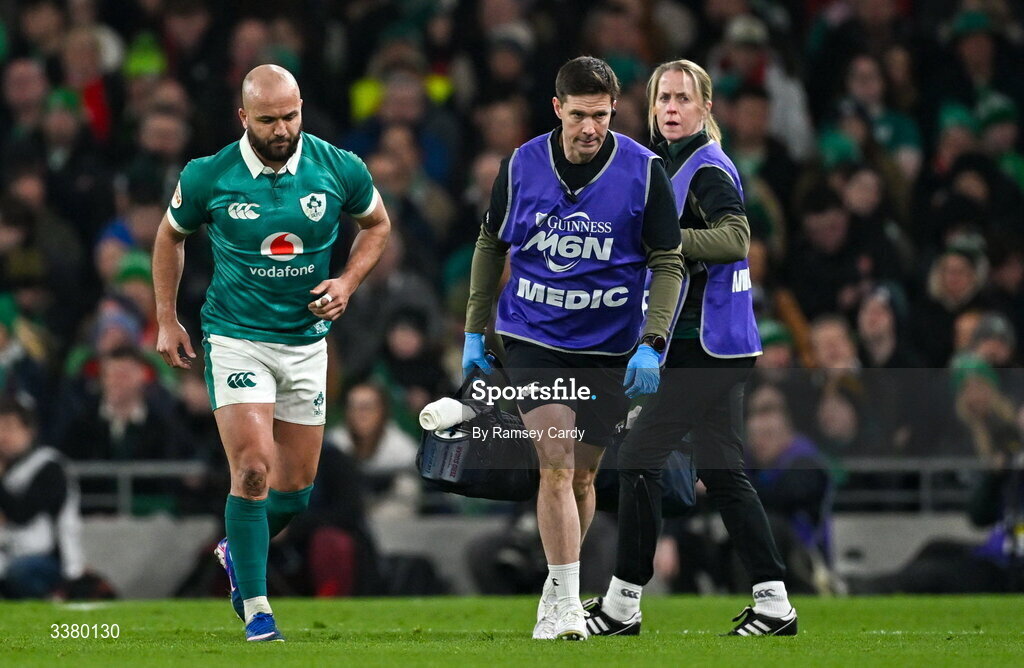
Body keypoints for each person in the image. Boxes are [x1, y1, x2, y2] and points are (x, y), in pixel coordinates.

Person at [152, 64, 391, 642]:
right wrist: (166, 318)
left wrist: (347, 283)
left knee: (296, 490)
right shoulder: (209, 175)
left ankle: (236, 551)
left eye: (290, 115)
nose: (282, 128)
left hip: (306, 344)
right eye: (268, 119)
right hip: (236, 337)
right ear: (244, 118)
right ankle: (258, 608)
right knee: (254, 466)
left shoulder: (339, 167)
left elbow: (377, 225)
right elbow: (169, 236)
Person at [463, 56, 684, 640]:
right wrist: (473, 329)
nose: (591, 128)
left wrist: (651, 342)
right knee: (555, 463)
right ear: (557, 108)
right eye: (581, 115)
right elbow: (491, 242)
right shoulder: (521, 165)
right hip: (533, 334)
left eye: (603, 116)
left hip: (611, 345)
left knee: (584, 479)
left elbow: (667, 260)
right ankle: (562, 606)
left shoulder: (644, 170)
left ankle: (557, 588)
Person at [584, 60, 798, 637]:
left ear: (705, 107)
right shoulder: (672, 164)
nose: (671, 108)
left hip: (704, 345)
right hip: (714, 344)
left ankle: (623, 601)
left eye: (682, 98)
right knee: (724, 474)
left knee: (638, 458)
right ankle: (775, 601)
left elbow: (735, 238)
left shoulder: (705, 167)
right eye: (662, 100)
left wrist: (665, 239)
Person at [0, 394, 84, 599]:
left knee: (21, 572)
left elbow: (22, 513)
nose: (3, 435)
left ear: (29, 431)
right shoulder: (7, 467)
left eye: (10, 427)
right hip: (7, 552)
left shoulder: (48, 466)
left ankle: (54, 595)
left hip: (49, 559)